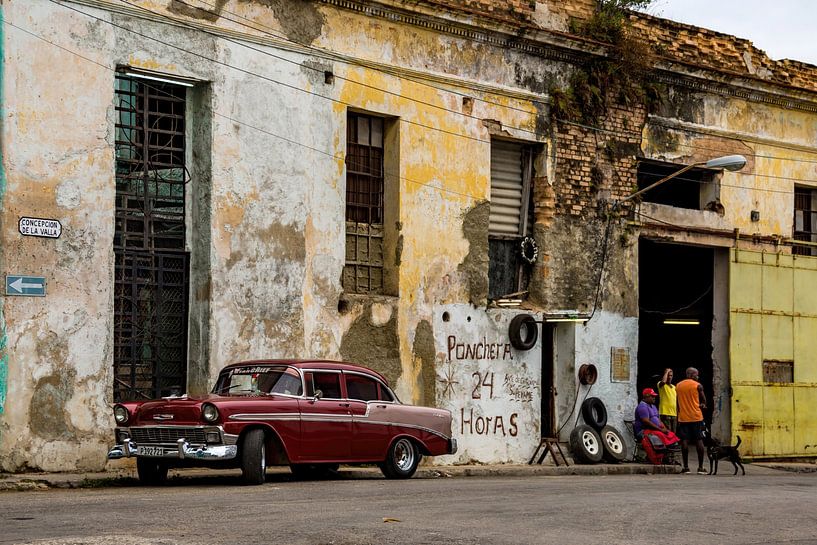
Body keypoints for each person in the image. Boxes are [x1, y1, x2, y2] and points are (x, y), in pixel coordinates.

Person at [676, 367, 707, 474]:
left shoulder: (678, 386)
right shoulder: (698, 385)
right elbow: (704, 401)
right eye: (696, 375)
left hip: (683, 418)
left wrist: (678, 415)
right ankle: (700, 468)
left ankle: (686, 467)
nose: (698, 376)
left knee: (684, 441)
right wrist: (702, 405)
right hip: (696, 417)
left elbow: (677, 403)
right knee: (699, 440)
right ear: (691, 375)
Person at [657, 368, 677, 433]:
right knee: (668, 432)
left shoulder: (674, 387)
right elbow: (663, 382)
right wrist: (667, 371)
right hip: (665, 413)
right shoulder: (661, 384)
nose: (669, 377)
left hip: (674, 413)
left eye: (671, 375)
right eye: (668, 375)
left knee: (674, 432)